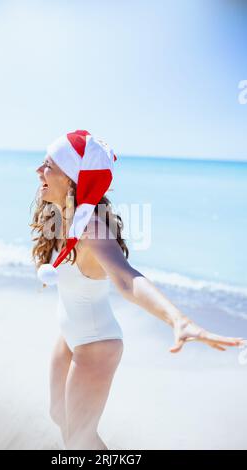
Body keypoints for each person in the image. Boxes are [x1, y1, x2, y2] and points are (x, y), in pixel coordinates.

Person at [31, 130, 246, 450]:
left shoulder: (92, 228)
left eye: (49, 165)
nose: (39, 170)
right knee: (59, 416)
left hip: (96, 345)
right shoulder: (61, 216)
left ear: (72, 179)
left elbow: (126, 277)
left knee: (80, 439)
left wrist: (178, 319)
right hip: (69, 336)